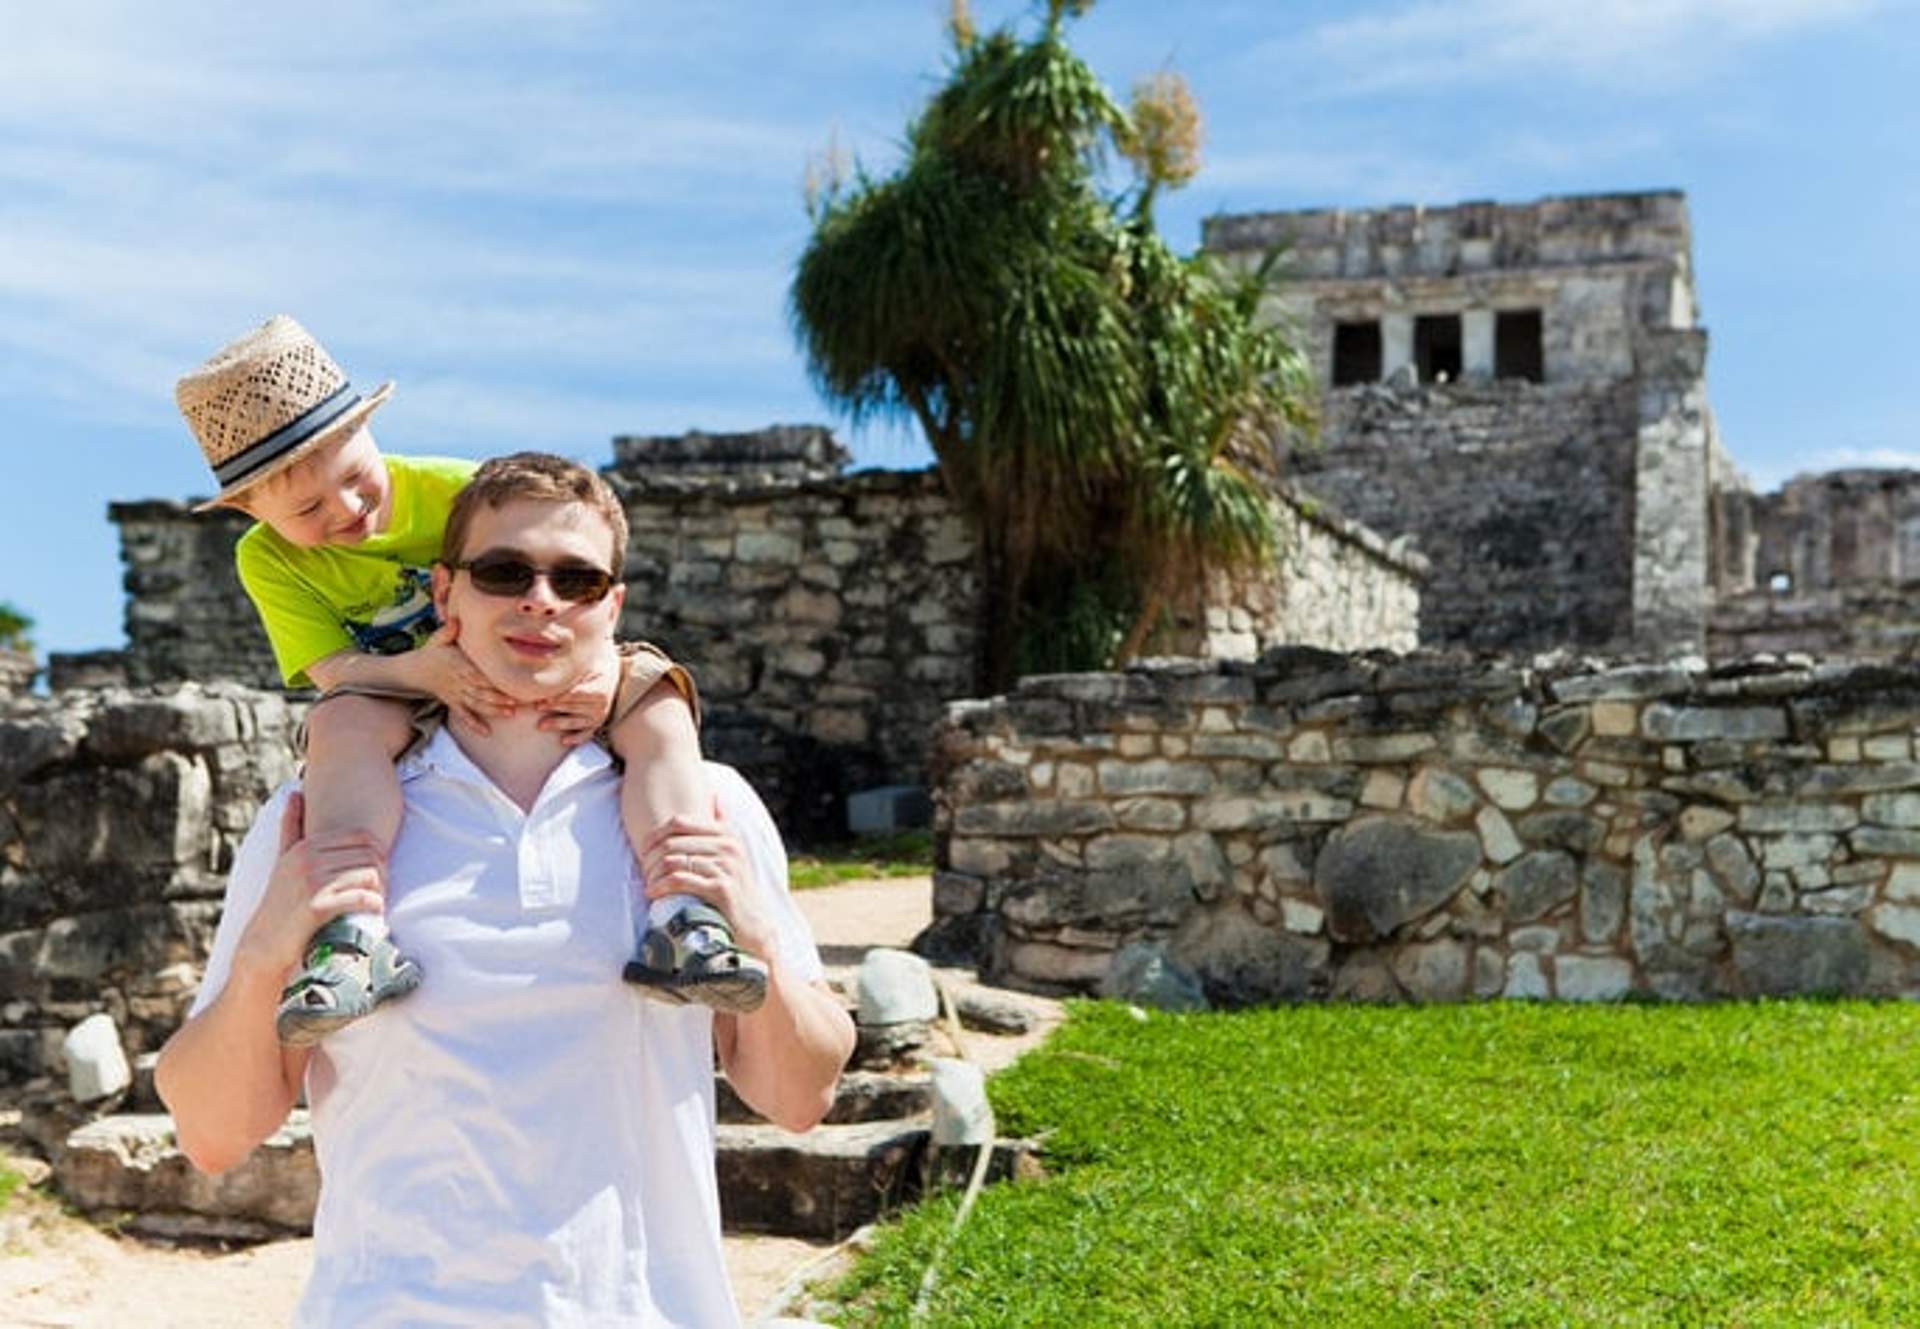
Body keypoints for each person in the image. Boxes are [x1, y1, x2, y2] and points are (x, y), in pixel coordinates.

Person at [155, 452, 857, 1327]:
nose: (541, 598)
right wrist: (267, 953)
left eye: (576, 577)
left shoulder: (703, 805)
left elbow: (802, 1097)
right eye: (504, 571)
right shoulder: (320, 823)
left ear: (615, 606)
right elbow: (213, 1136)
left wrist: (749, 924)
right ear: (444, 596)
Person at [173, 315, 767, 1045]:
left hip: (547, 651)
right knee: (340, 725)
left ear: (371, 434)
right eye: (308, 508)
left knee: (661, 705)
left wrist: (605, 666)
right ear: (249, 510)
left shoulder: (465, 492)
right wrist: (424, 671)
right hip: (410, 684)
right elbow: (333, 670)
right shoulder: (267, 562)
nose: (349, 511)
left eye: (358, 479)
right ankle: (351, 934)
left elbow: (572, 573)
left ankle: (685, 914)